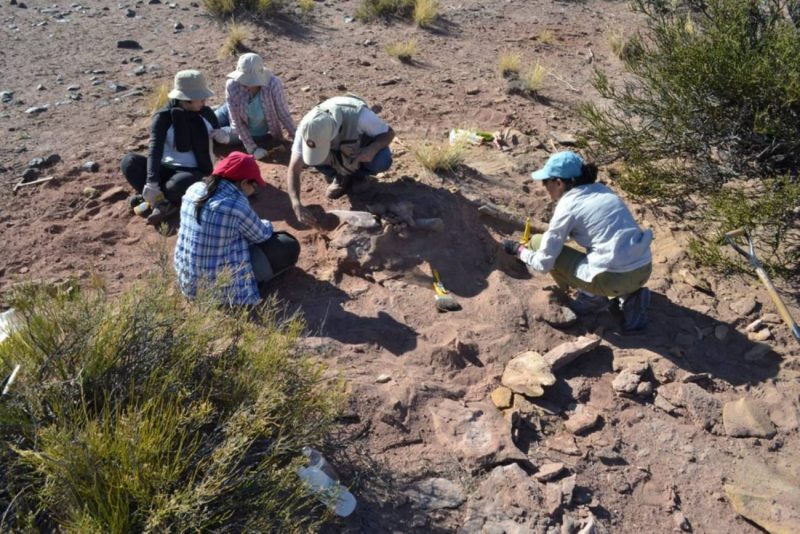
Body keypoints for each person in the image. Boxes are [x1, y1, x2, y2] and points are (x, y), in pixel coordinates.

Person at [502, 151, 653, 331]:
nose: (544, 187)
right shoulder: (603, 190)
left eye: (546, 182)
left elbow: (543, 264)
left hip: (613, 280)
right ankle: (632, 298)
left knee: (537, 241)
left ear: (558, 182)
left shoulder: (568, 206)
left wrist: (519, 250)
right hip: (644, 268)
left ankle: (592, 298)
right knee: (603, 252)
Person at [173, 151, 301, 306]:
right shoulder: (235, 205)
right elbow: (261, 235)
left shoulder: (194, 189)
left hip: (189, 284)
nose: (254, 189)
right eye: (254, 185)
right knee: (288, 244)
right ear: (244, 183)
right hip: (220, 290)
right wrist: (265, 223)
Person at [121, 69, 227, 226]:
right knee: (129, 162)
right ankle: (160, 202)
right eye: (200, 97)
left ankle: (158, 201)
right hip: (165, 167)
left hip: (194, 171)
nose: (205, 100)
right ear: (186, 99)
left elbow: (221, 138)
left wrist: (223, 136)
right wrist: (152, 182)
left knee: (175, 187)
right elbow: (154, 149)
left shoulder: (206, 113)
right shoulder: (163, 117)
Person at [286, 95, 394, 225]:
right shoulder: (308, 128)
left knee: (382, 159)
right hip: (340, 153)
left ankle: (359, 176)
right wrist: (295, 203)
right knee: (312, 159)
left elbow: (389, 133)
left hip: (359, 147)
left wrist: (373, 148)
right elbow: (294, 169)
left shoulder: (359, 116)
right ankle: (341, 176)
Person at [215, 53, 296, 160]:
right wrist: (252, 149)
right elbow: (236, 120)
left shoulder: (273, 84)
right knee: (207, 122)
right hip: (231, 113)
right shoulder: (232, 85)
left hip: (251, 129)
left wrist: (296, 136)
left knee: (218, 136)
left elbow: (283, 113)